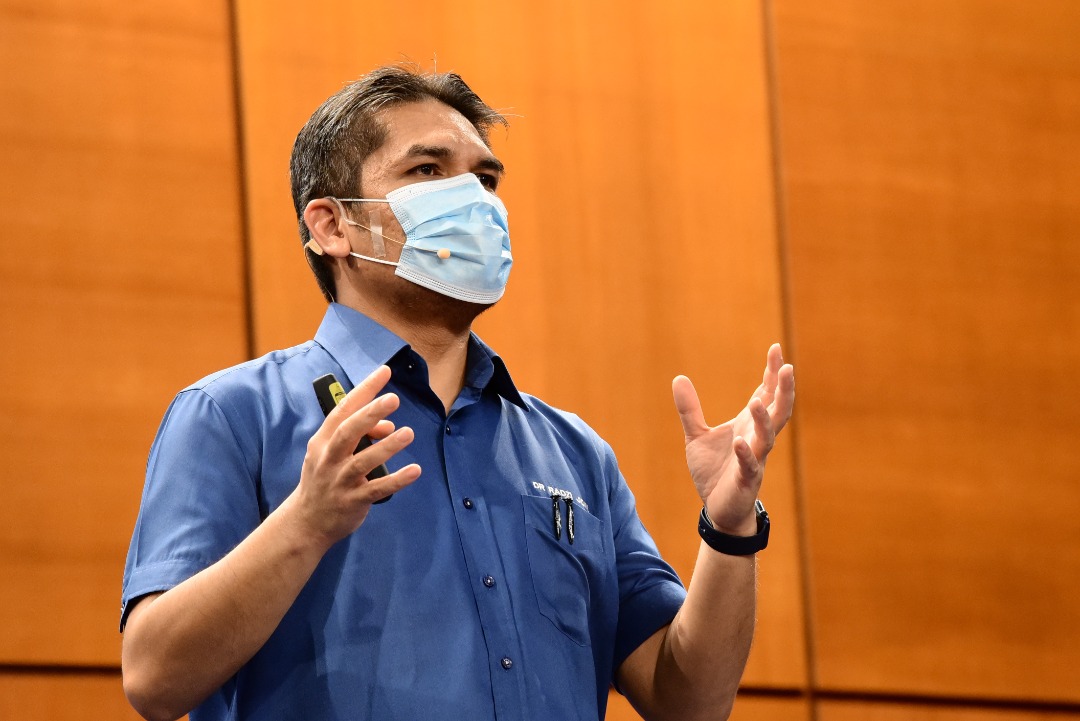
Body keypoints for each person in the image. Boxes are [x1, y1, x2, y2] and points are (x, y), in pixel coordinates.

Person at [120, 66, 795, 721]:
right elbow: (154, 679)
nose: (474, 198)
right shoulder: (232, 415)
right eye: (427, 170)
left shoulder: (575, 453)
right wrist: (306, 523)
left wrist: (730, 529)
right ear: (332, 226)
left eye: (486, 178)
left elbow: (689, 703)